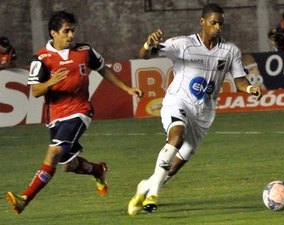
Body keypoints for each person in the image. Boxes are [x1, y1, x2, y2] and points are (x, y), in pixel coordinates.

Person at [128, 3, 262, 216]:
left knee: (173, 168)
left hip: (203, 114)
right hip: (178, 102)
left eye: (220, 24)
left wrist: (251, 88)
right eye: (213, 23)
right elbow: (145, 54)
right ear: (202, 22)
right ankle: (153, 194)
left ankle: (144, 186)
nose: (217, 27)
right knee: (176, 137)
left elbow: (239, 81)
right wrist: (148, 43)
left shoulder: (230, 51)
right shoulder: (183, 44)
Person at [6, 10, 143, 214]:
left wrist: (127, 88)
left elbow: (103, 69)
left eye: (73, 31)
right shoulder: (41, 58)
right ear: (54, 33)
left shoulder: (85, 51)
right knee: (67, 165)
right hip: (55, 117)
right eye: (66, 31)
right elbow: (35, 91)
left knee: (53, 152)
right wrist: (50, 82)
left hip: (80, 111)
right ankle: (98, 170)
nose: (71, 36)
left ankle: (25, 198)